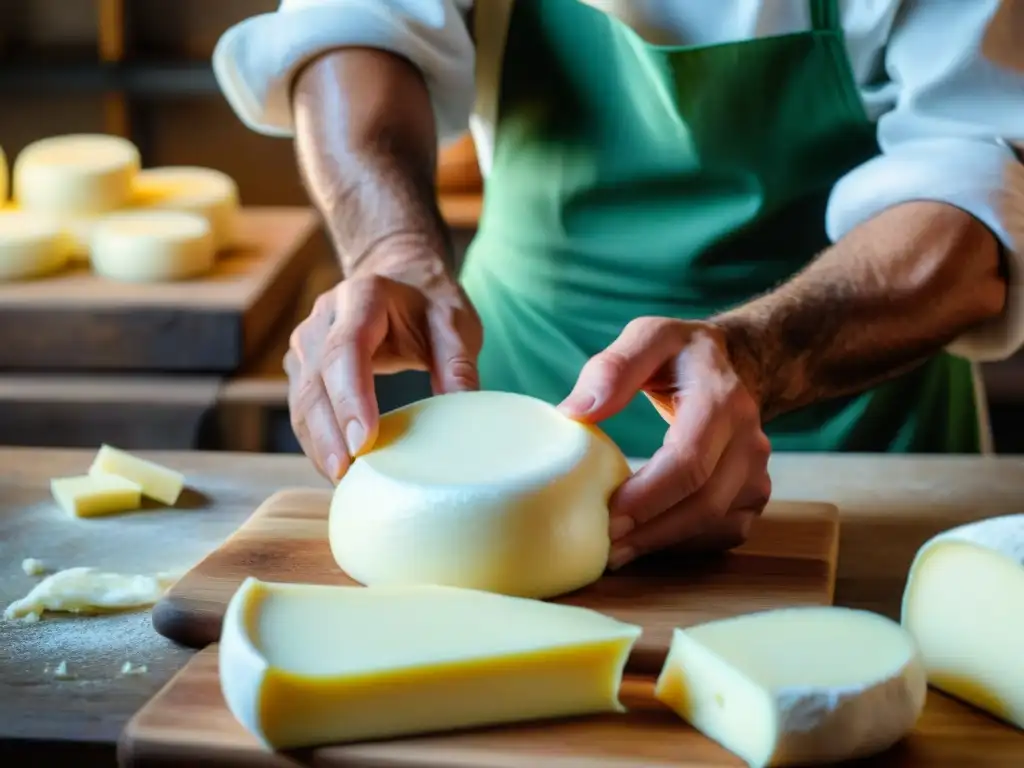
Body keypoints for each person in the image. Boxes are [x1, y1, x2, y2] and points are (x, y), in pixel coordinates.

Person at [214, 1, 1023, 567]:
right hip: (517, 381)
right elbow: (354, 26)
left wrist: (756, 356)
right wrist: (394, 252)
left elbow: (977, 183)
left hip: (858, 423)